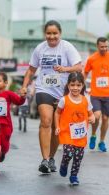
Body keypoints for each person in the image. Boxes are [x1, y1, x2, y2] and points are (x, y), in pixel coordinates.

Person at [20, 20, 82, 174]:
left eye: (55, 33)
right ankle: (45, 159)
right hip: (44, 88)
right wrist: (24, 86)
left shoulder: (67, 47)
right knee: (46, 120)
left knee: (56, 128)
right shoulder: (40, 48)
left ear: (60, 33)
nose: (52, 36)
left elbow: (79, 67)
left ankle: (52, 157)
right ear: (45, 34)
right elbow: (31, 70)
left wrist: (65, 69)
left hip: (63, 92)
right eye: (49, 33)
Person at [84, 37, 109, 152]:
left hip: (108, 94)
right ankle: (93, 135)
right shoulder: (92, 59)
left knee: (106, 118)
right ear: (97, 46)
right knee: (96, 116)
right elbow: (85, 72)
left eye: (106, 46)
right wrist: (81, 82)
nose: (104, 49)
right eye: (102, 47)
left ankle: (101, 141)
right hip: (95, 93)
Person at [54, 72, 95, 185]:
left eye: (78, 85)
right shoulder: (64, 100)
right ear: (68, 85)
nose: (75, 88)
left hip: (81, 134)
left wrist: (92, 118)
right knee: (68, 153)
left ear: (82, 86)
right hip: (67, 133)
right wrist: (57, 126)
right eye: (72, 85)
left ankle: (74, 176)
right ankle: (64, 163)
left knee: (78, 156)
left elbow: (91, 113)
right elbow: (57, 113)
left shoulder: (86, 99)